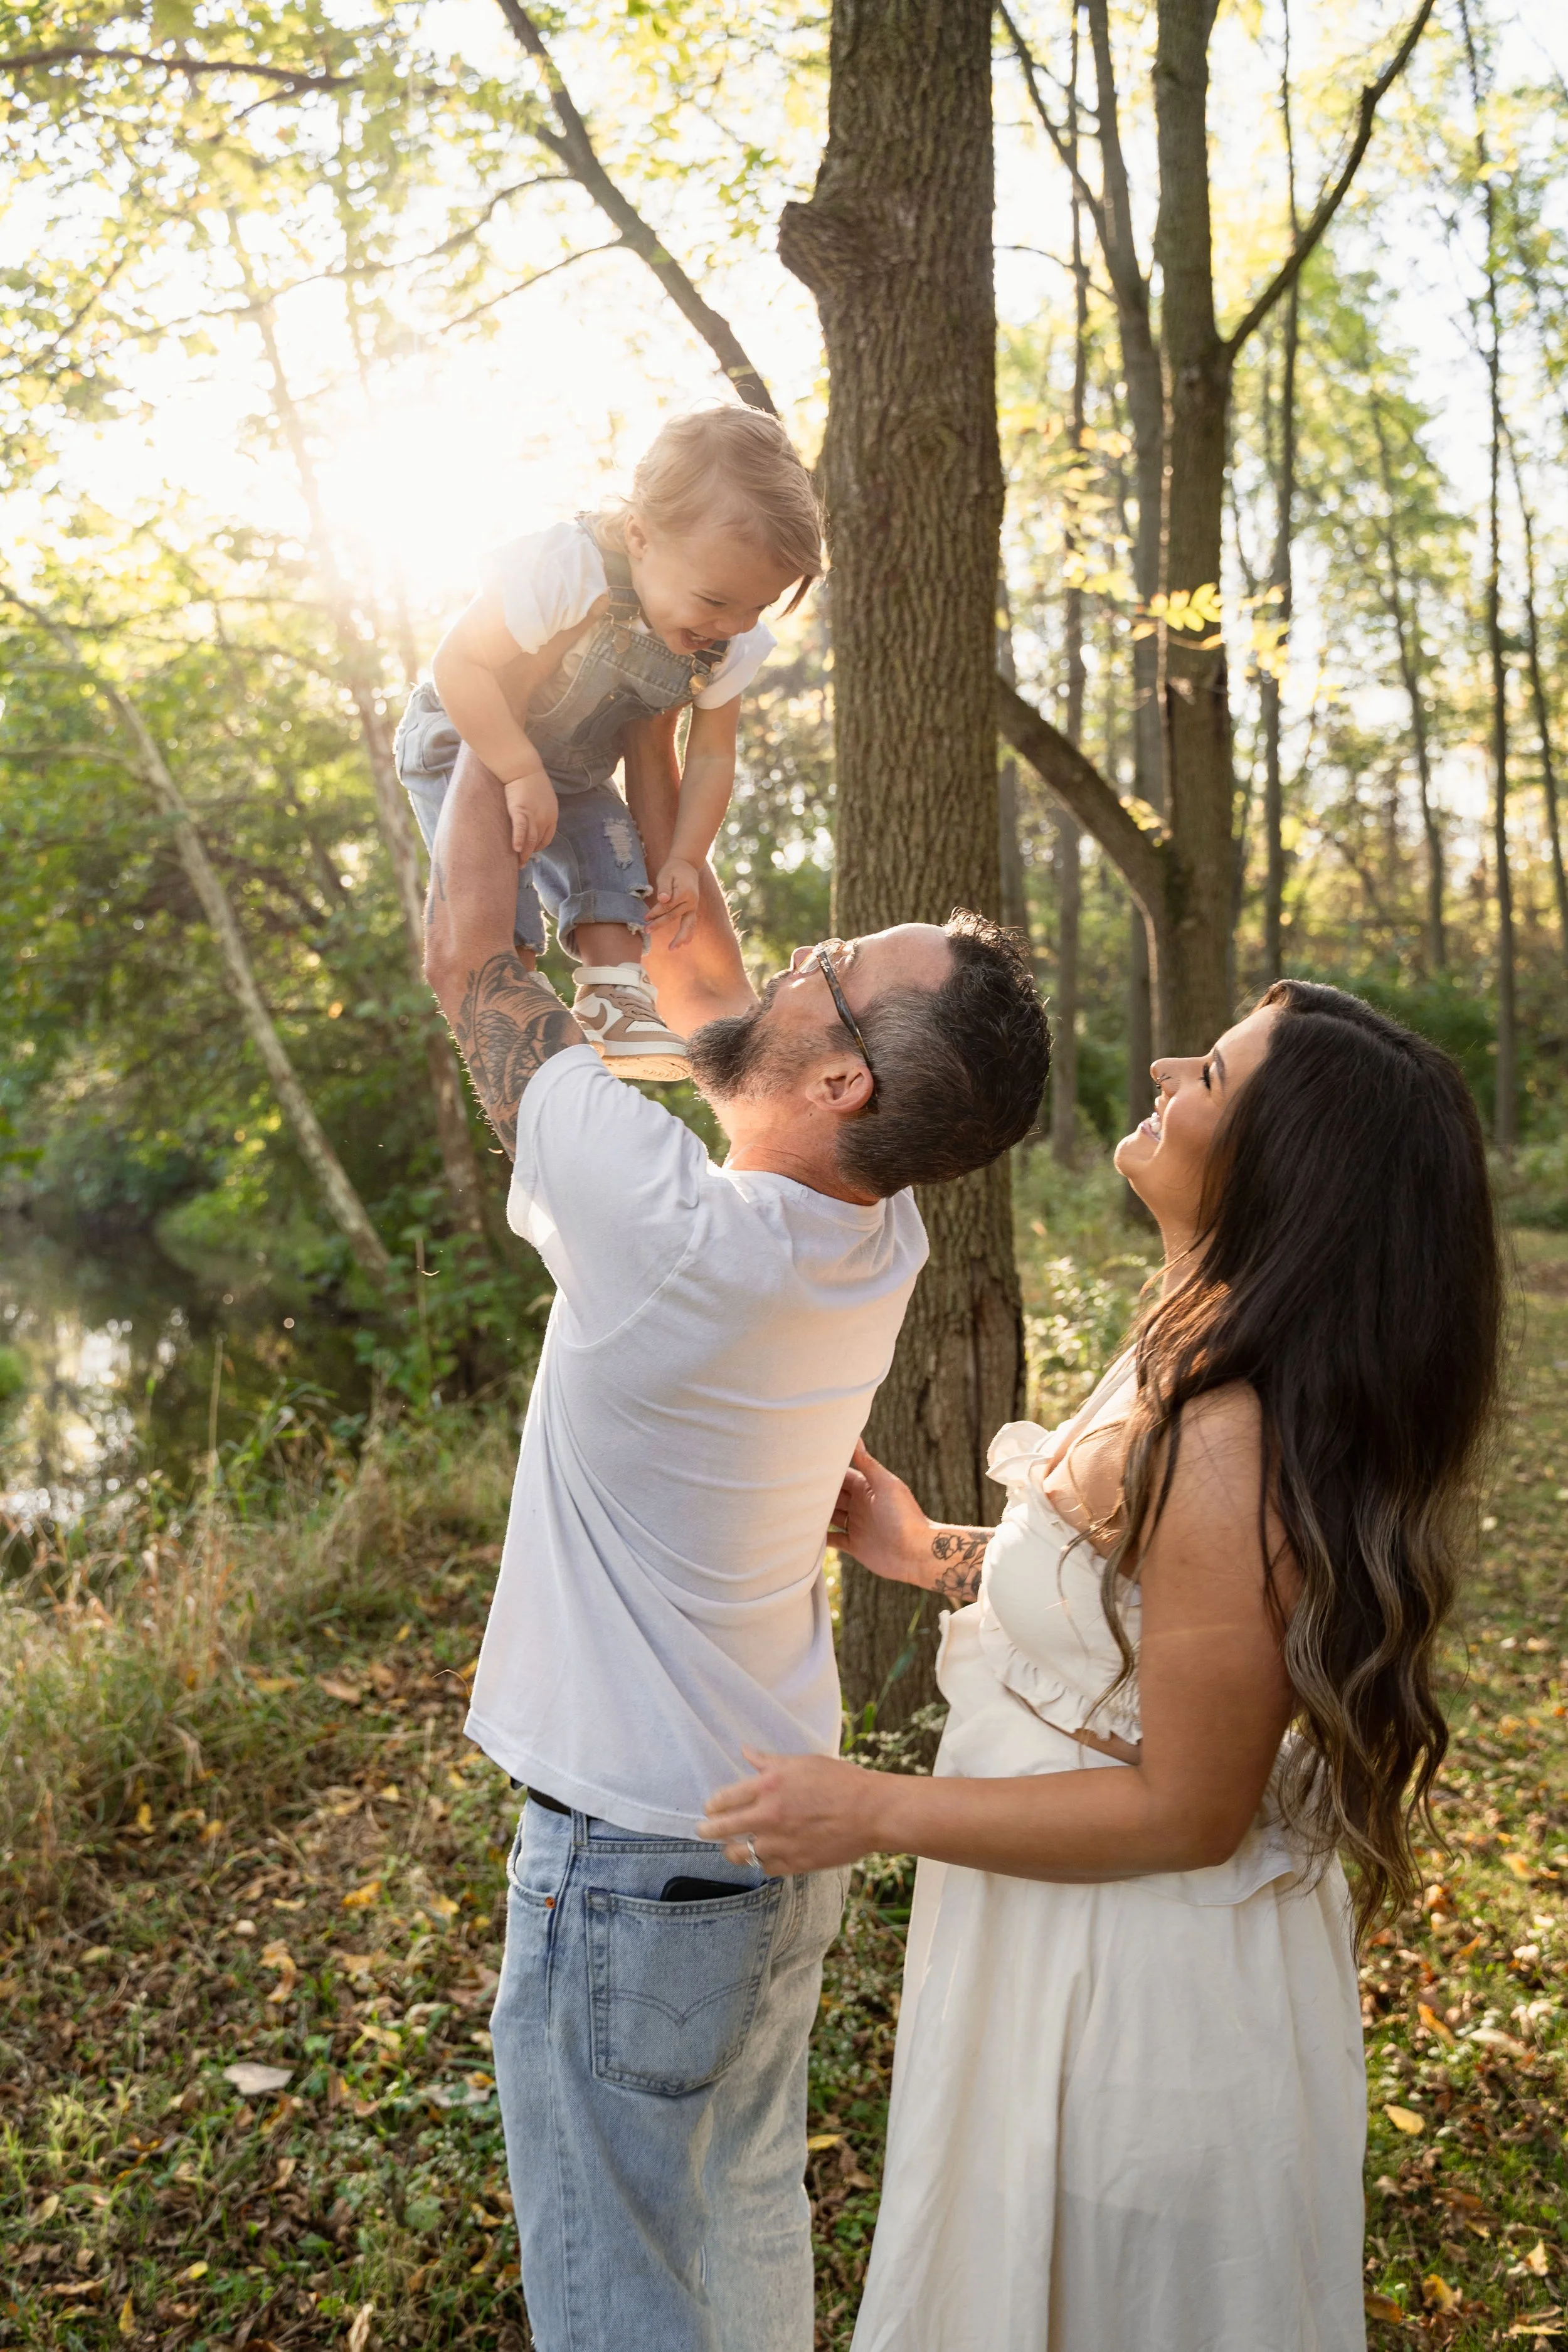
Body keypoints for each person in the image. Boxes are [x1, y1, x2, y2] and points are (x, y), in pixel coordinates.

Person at [704, 981, 1502, 2352]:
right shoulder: (1208, 1341)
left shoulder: (1229, 1437)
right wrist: (933, 1552)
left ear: (1280, 1173)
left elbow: (1187, 1808)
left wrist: (868, 1809)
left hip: (1137, 1990)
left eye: (1212, 1078)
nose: (1164, 1063)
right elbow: (1139, 1622)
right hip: (1060, 1937)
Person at [421, 733, 1050, 2352]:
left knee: (621, 2289)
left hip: (631, 1862)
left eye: (831, 969)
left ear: (841, 1081)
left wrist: (487, 734)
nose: (801, 955)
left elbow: (463, 958)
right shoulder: (874, 1223)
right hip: (771, 1847)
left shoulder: (667, 1227)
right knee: (744, 2227)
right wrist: (651, 809)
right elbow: (714, 1003)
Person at [398, 404, 822, 1080]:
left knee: (614, 857)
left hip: (574, 770)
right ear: (640, 537)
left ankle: (612, 999)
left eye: (758, 607)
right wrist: (515, 767)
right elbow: (459, 666)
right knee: (495, 884)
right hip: (465, 739)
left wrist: (686, 854)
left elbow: (713, 753)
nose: (732, 625)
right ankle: (518, 997)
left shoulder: (729, 642)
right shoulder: (569, 570)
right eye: (715, 600)